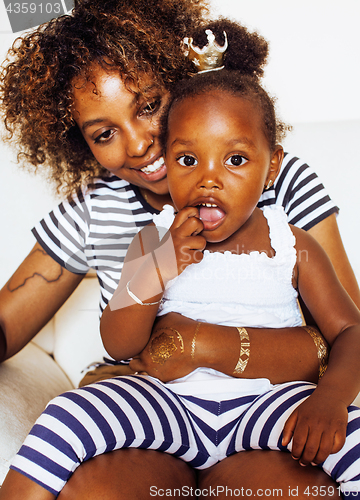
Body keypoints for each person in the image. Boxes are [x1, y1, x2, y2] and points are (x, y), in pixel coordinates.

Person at [0, 5, 357, 497]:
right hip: (153, 412)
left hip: (264, 403)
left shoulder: (282, 198)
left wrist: (194, 344)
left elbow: (346, 330)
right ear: (80, 143)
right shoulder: (115, 218)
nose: (141, 144)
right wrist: (154, 271)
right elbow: (33, 327)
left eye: (149, 106)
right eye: (104, 133)